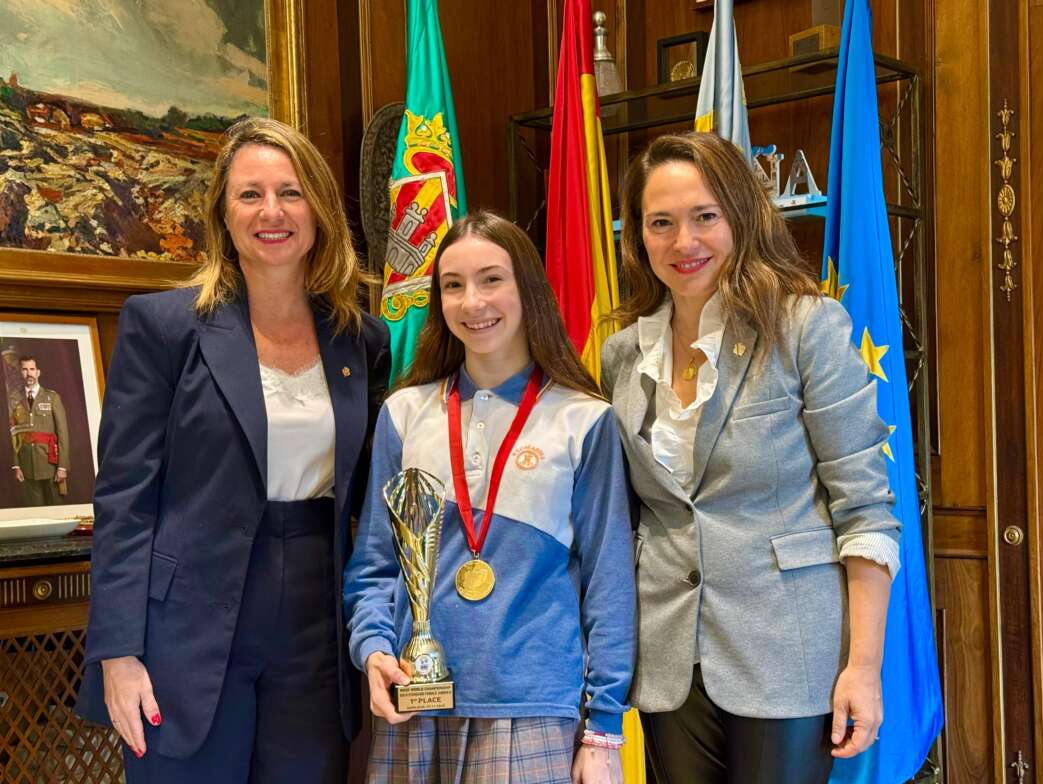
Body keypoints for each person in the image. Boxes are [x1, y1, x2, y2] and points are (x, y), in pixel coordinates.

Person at [75, 117, 391, 783]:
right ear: (222, 211)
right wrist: (118, 653)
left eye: (291, 192)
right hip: (183, 636)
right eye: (250, 194)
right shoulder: (162, 327)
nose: (271, 211)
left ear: (321, 211)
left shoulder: (362, 340)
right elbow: (125, 504)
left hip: (314, 630)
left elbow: (372, 492)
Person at [600, 132, 900, 784]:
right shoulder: (622, 356)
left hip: (787, 652)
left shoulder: (805, 328)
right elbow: (622, 519)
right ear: (638, 236)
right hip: (668, 659)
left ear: (741, 215)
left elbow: (866, 509)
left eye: (705, 217)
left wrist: (864, 668)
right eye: (662, 223)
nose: (685, 242)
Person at [343, 210, 634, 784]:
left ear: (528, 287)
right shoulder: (405, 413)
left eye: (492, 279)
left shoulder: (583, 418)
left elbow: (610, 580)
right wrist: (374, 649)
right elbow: (375, 564)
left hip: (533, 708)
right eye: (453, 285)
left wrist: (603, 725)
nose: (473, 302)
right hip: (416, 700)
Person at [9, 355, 69, 506]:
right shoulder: (15, 399)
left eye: (32, 369)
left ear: (38, 372)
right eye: (24, 369)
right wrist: (16, 465)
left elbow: (63, 434)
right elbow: (14, 434)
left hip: (50, 463)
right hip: (27, 464)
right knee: (35, 510)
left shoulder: (52, 397)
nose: (28, 373)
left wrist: (62, 466)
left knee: (55, 509)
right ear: (20, 372)